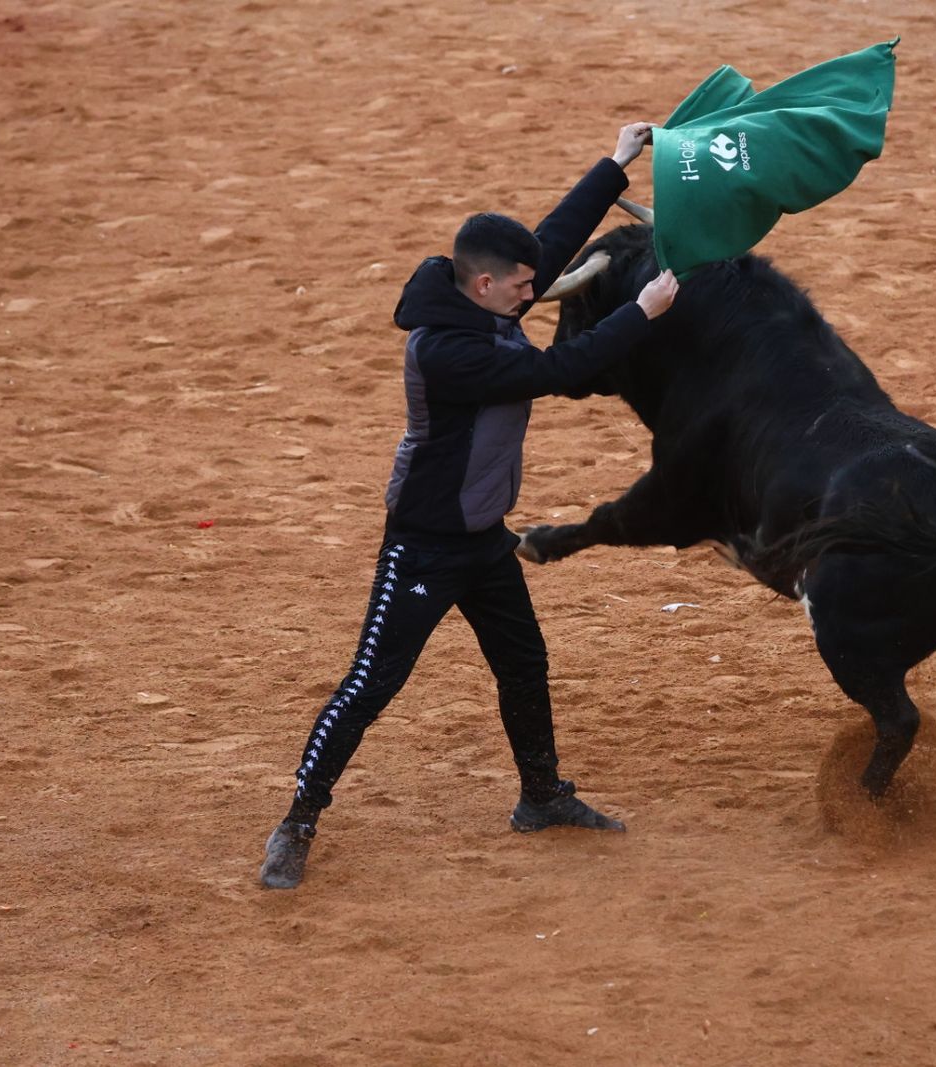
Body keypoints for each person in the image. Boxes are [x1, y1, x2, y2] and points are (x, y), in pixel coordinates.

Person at [259, 122, 678, 890]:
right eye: (523, 287)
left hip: (482, 538)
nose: (535, 292)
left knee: (525, 661)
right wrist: (641, 311)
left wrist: (615, 163)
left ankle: (542, 795)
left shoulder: (483, 302)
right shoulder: (449, 352)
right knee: (370, 684)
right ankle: (298, 820)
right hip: (423, 545)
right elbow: (560, 369)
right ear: (485, 286)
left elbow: (547, 244)